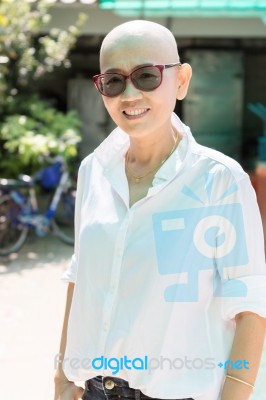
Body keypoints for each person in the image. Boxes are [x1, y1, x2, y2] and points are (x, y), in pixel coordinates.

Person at [54, 20, 266, 400]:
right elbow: (78, 277)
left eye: (147, 76)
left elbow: (251, 305)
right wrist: (61, 380)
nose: (130, 94)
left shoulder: (218, 180)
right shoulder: (93, 171)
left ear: (181, 81)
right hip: (91, 392)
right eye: (114, 81)